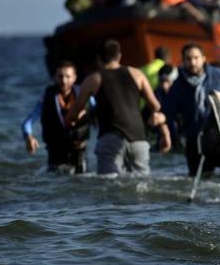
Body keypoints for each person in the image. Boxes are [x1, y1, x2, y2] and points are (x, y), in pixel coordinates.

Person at [66, 39, 171, 175]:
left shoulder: (94, 79)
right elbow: (155, 107)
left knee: (108, 186)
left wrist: (76, 119)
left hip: (110, 139)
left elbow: (74, 113)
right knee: (142, 185)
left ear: (98, 59)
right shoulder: (137, 75)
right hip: (138, 138)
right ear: (119, 56)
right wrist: (165, 133)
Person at [162, 43, 220, 176]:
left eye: (196, 58)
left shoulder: (219, 76)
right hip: (194, 140)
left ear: (204, 58)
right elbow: (168, 112)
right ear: (183, 61)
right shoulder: (178, 84)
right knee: (199, 179)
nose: (193, 62)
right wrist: (167, 135)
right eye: (188, 59)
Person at [22, 61, 92, 174]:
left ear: (74, 78)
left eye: (68, 77)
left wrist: (86, 111)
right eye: (60, 76)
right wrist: (28, 136)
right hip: (55, 153)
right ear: (54, 77)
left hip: (79, 152)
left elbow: (100, 111)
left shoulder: (83, 95)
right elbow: (28, 122)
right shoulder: (47, 97)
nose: (64, 81)